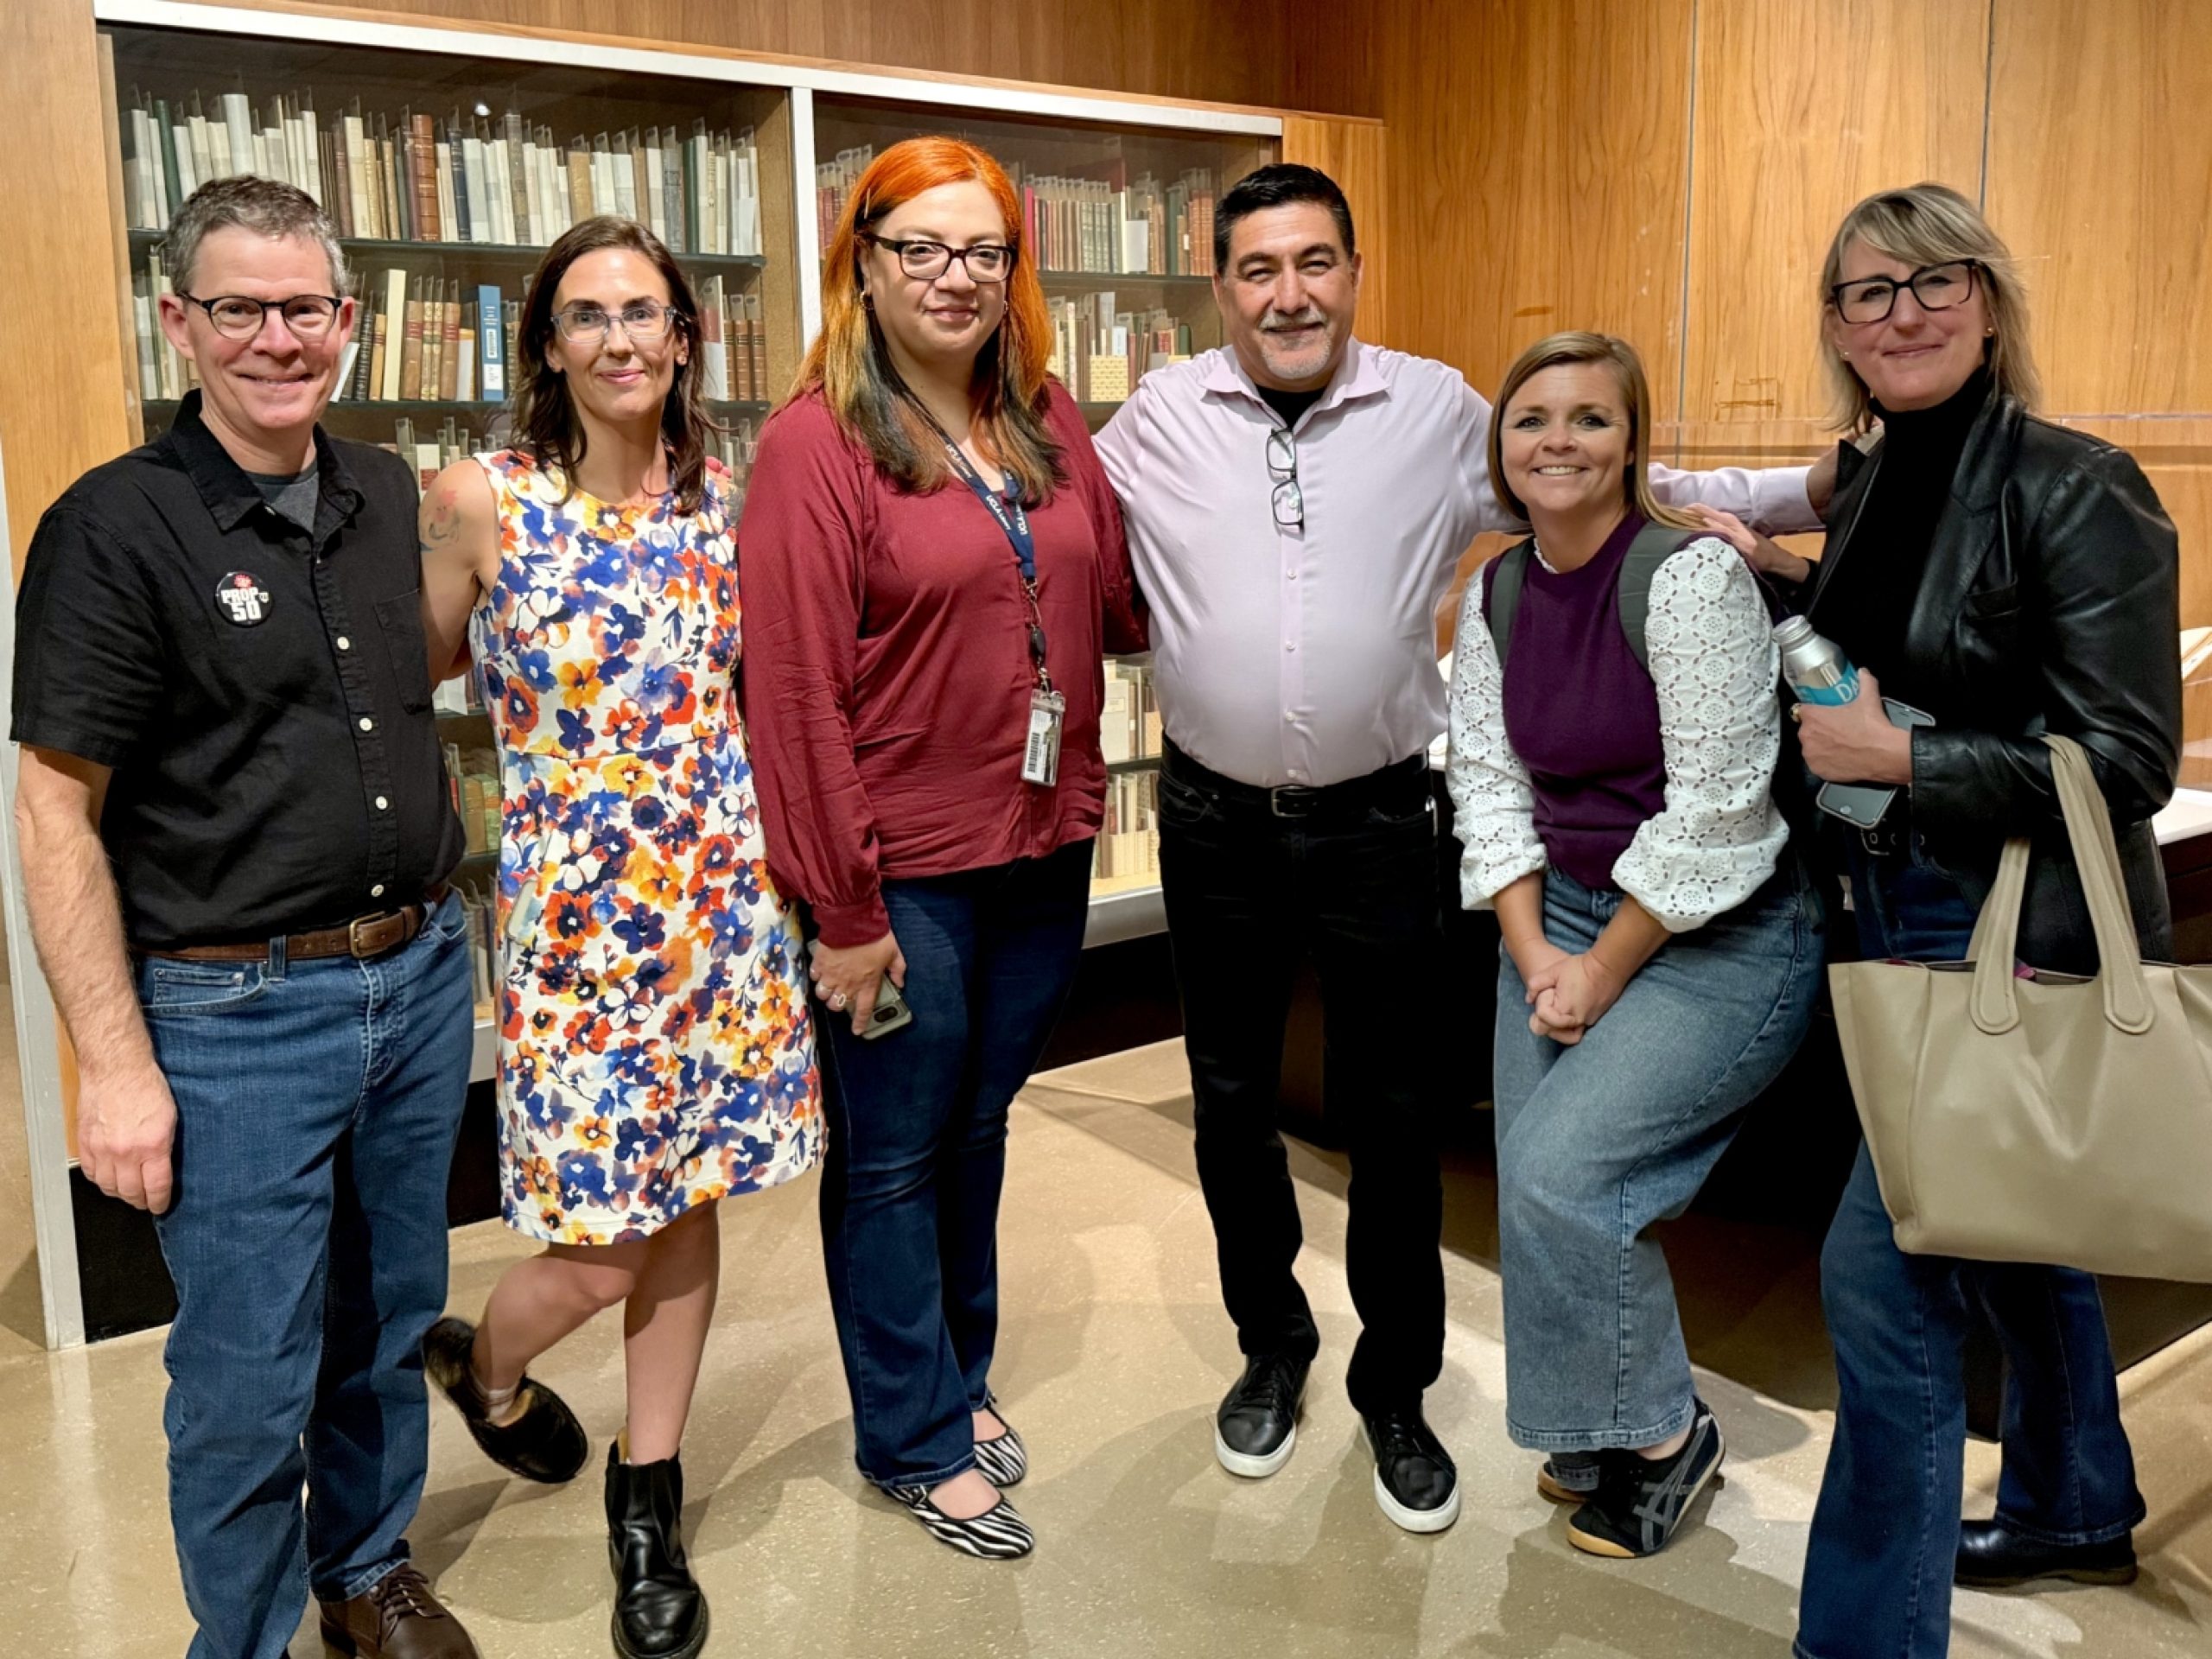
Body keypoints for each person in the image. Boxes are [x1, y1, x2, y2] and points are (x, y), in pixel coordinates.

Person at [1090, 163, 1834, 1535]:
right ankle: (1273, 1348)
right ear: (1222, 289)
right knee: (1231, 1101)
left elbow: (1614, 461)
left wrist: (1812, 484)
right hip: (1209, 822)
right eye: (1258, 269)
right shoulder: (1156, 418)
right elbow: (1063, 543)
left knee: (1391, 1116)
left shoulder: (1437, 406)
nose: (1289, 293)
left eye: (1315, 262)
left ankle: (1396, 1386)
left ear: (1354, 274)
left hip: (1380, 818)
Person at [1702, 182, 2176, 1659]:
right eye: (1867, 293)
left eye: (1933, 283)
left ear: (1988, 297)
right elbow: (1920, 622)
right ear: (1836, 325)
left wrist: (1904, 758)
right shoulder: (1875, 475)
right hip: (1891, 904)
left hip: (2007, 923)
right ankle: (2076, 1503)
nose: (1901, 315)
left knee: (1883, 1279)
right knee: (2019, 1232)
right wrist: (1775, 570)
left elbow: (2126, 760)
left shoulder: (2078, 483)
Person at [10, 177, 479, 1659]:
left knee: (390, 1316)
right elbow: (54, 812)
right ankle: (253, 1638)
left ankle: (366, 1564)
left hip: (414, 978)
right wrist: (115, 1064)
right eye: (238, 307)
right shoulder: (111, 530)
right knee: (243, 1371)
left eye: (303, 308)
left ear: (347, 321)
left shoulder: (387, 491)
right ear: (181, 322)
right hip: (232, 1017)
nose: (276, 338)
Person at [416, 215, 820, 1657]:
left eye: (644, 311)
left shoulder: (736, 501)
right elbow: (400, 687)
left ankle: (648, 1486)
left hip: (721, 904)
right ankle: (488, 1372)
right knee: (598, 1246)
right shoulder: (482, 501)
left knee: (690, 1195)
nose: (619, 338)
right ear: (546, 345)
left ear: (687, 334)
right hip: (579, 921)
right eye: (585, 315)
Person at [738, 136, 1143, 1560]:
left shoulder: (1040, 414)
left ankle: (955, 1380)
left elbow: (1114, 592)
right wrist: (841, 910)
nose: (956, 277)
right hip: (896, 874)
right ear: (866, 262)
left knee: (979, 1127)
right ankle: (908, 1432)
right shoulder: (816, 444)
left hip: (1040, 847)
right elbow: (789, 693)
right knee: (896, 1154)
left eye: (984, 252)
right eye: (922, 248)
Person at [1445, 331, 1822, 1558]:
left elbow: (1720, 805)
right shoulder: (1497, 588)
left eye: (1590, 419)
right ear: (1501, 446)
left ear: (1632, 442)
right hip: (1554, 916)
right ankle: (1600, 1423)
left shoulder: (1685, 578)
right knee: (1537, 1182)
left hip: (1718, 931)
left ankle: (1664, 1432)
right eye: (1532, 417)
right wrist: (1533, 949)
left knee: (1567, 1172)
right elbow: (1491, 785)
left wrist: (1599, 968)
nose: (1558, 439)